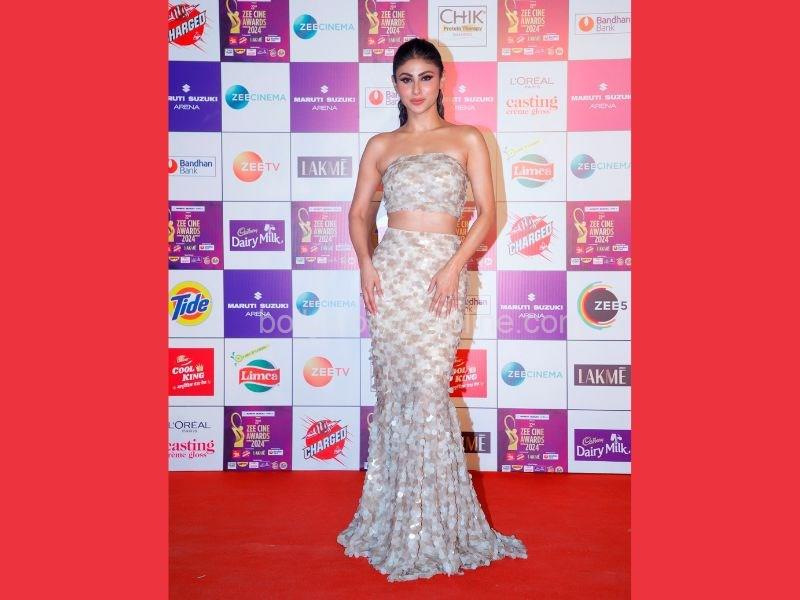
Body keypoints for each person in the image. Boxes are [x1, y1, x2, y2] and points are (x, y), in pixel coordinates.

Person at [337, 38, 527, 582]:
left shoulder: (467, 138)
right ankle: (396, 520)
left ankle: (434, 525)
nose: (416, 89)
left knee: (427, 392)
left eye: (425, 77)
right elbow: (359, 214)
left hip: (442, 272)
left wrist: (453, 266)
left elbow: (487, 214)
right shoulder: (381, 145)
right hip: (393, 274)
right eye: (406, 79)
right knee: (397, 395)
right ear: (394, 86)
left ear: (442, 80)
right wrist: (366, 265)